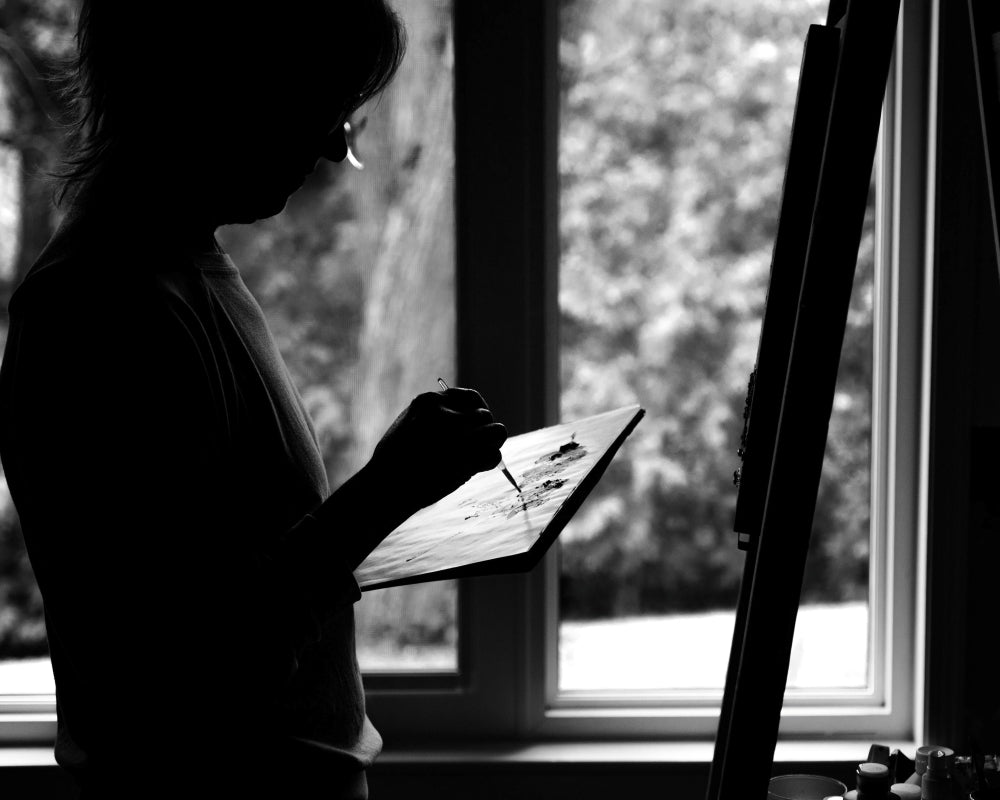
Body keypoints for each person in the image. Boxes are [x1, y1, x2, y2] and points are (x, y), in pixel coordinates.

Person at [0, 2, 505, 798]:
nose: (332, 153)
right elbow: (192, 672)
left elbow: (241, 572)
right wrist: (388, 489)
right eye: (320, 110)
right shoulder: (102, 307)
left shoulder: (179, 269)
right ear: (218, 90)